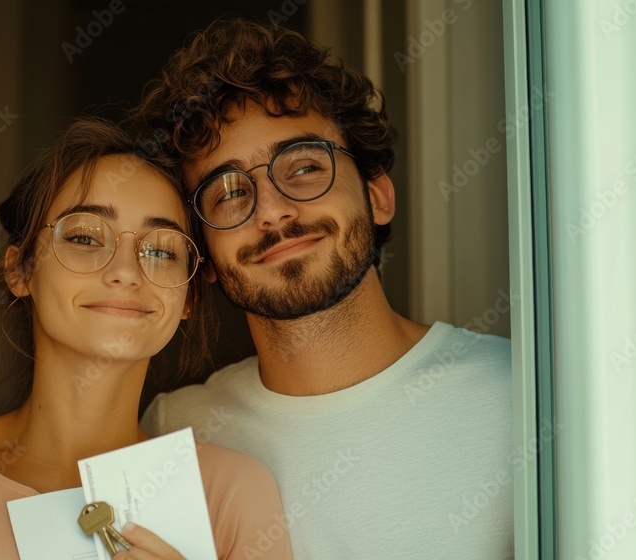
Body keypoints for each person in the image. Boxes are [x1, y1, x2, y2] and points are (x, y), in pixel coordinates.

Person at [136, 19, 513, 559]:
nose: (271, 211)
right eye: (228, 194)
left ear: (377, 196)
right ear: (207, 259)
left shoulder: (517, 398)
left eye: (306, 167)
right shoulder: (175, 434)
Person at [0, 118, 292, 560]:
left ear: (188, 296)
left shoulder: (233, 494)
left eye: (162, 250)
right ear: (21, 269)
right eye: (85, 238)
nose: (126, 271)